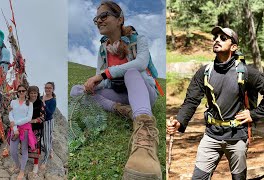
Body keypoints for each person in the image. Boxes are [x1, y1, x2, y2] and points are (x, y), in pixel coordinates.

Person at [70, 1, 161, 179]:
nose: (99, 21)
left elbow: (141, 63)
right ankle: (122, 109)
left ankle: (144, 130)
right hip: (120, 95)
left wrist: (104, 74)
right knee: (76, 91)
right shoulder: (103, 49)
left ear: (120, 19)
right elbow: (102, 80)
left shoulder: (138, 40)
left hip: (143, 92)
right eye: (96, 19)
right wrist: (94, 84)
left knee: (132, 71)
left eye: (104, 16)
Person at [167, 26, 264, 179]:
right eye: (215, 37)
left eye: (223, 38)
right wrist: (179, 121)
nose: (217, 40)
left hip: (237, 137)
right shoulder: (205, 72)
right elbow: (191, 100)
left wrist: (254, 114)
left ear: (233, 46)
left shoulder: (247, 72)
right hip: (211, 136)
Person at [8, 84, 36, 180]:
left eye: (23, 91)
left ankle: (22, 170)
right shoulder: (13, 102)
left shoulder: (29, 104)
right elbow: (10, 114)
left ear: (26, 92)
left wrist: (15, 123)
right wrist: (15, 128)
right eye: (19, 91)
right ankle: (17, 165)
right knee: (12, 150)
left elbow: (28, 118)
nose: (21, 93)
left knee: (24, 150)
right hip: (14, 128)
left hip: (25, 128)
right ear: (17, 92)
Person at [27, 86, 45, 175]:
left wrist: (33, 121)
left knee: (36, 146)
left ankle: (36, 165)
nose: (33, 95)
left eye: (35, 93)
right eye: (31, 93)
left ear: (38, 94)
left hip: (36, 128)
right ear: (28, 94)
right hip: (26, 127)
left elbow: (43, 117)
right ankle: (25, 159)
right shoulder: (26, 103)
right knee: (26, 144)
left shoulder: (40, 103)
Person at [40, 82, 57, 170]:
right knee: (40, 140)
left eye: (49, 88)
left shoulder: (53, 100)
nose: (47, 89)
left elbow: (50, 113)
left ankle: (45, 160)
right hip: (40, 121)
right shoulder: (41, 97)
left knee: (46, 140)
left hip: (48, 122)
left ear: (52, 89)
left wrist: (44, 104)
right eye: (46, 88)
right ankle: (50, 149)